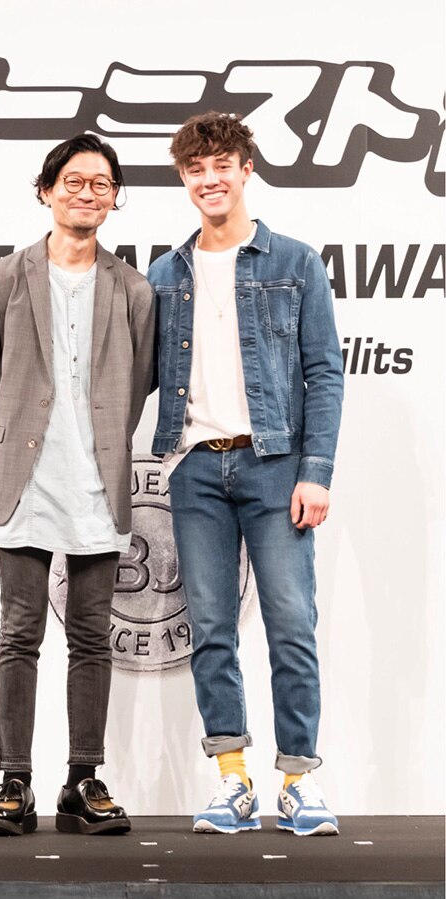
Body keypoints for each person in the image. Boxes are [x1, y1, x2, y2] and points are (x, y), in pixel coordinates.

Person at [147, 112, 344, 837]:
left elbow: (325, 372)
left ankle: (298, 780)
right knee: (211, 630)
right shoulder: (164, 274)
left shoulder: (295, 262)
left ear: (245, 169)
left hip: (275, 466)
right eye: (196, 169)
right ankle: (232, 779)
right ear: (184, 178)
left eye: (221, 165)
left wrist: (315, 471)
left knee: (291, 624)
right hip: (196, 469)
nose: (210, 179)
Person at [0, 134, 155, 836]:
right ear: (46, 191)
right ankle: (14, 781)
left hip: (99, 487)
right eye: (73, 181)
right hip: (25, 486)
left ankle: (83, 780)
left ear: (114, 199)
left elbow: (139, 383)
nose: (87, 193)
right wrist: (7, 460)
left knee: (91, 637)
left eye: (101, 184)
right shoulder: (2, 281)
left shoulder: (133, 289)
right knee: (19, 632)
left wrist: (100, 450)